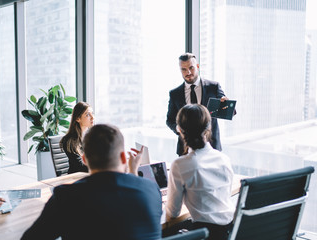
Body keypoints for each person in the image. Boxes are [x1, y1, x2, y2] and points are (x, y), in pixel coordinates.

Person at [22, 124, 163, 240]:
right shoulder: (152, 190)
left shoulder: (65, 197)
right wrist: (133, 171)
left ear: (84, 159)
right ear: (123, 157)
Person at [164, 104, 235, 240]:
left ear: (179, 129)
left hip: (205, 234)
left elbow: (173, 213)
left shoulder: (180, 165)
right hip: (229, 231)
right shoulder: (224, 159)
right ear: (208, 127)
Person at [167, 52, 233, 156]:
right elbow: (170, 120)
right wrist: (178, 129)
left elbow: (229, 111)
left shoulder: (213, 87)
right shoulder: (175, 94)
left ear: (197, 66)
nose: (188, 72)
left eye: (191, 68)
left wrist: (226, 105)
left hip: (211, 146)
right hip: (185, 149)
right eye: (183, 69)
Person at [60, 102, 94, 174]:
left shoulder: (92, 136)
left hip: (90, 176)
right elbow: (80, 167)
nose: (92, 117)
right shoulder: (69, 141)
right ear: (78, 119)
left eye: (92, 113)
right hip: (76, 179)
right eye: (87, 114)